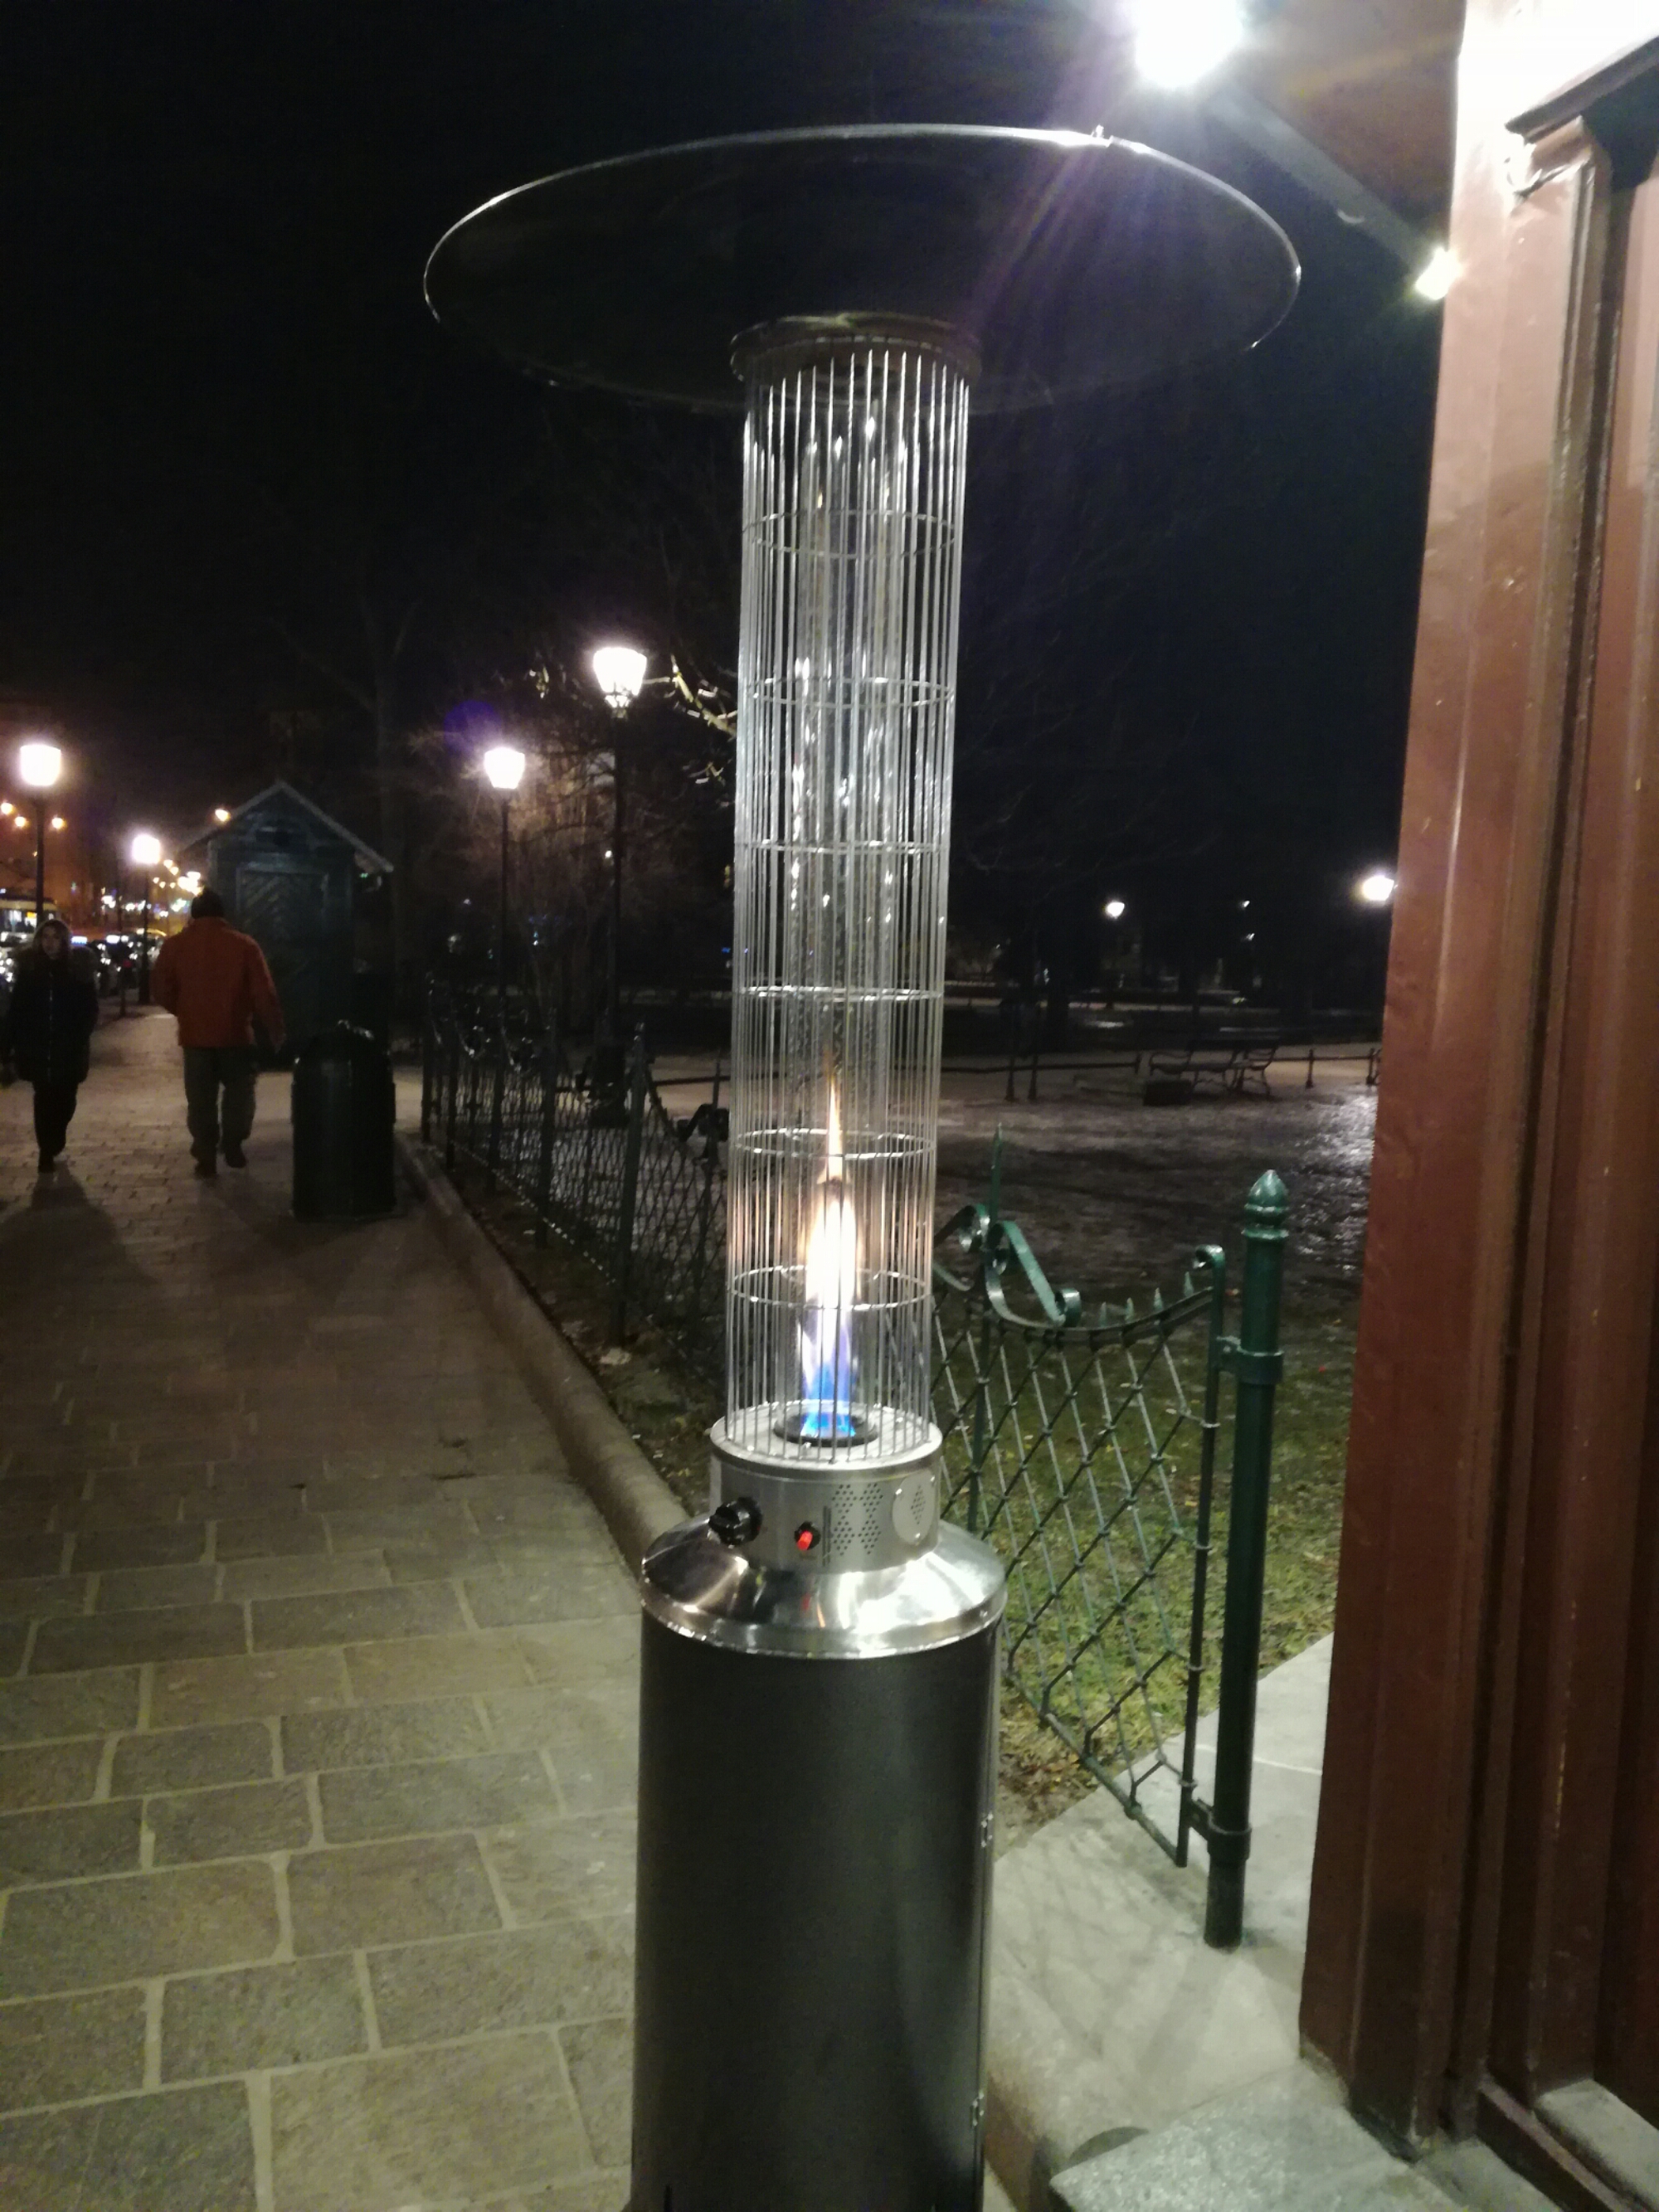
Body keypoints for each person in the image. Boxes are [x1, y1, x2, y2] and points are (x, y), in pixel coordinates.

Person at [151, 888, 285, 1178]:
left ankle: (205, 1154)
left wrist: (184, 1010)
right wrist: (275, 1030)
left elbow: (161, 989)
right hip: (235, 1034)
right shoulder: (244, 945)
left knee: (200, 1099)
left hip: (195, 1038)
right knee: (239, 1092)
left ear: (193, 914)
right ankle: (233, 1142)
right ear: (223, 914)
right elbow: (264, 993)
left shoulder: (175, 946)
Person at [0, 919, 101, 1174]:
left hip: (68, 1048)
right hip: (37, 1047)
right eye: (45, 937)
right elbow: (16, 1011)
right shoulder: (31, 971)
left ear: (64, 941)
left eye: (55, 937)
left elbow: (90, 1010)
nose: (49, 943)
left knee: (65, 1098)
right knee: (43, 1098)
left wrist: (78, 1037)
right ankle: (46, 1150)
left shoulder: (77, 971)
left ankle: (57, 1135)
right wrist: (7, 1045)